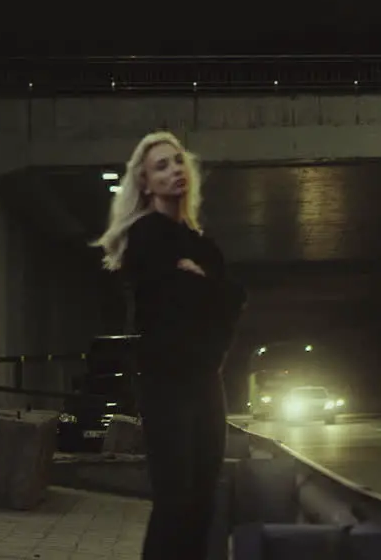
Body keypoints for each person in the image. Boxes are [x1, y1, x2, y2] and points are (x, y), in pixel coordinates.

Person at [92, 131, 246, 560]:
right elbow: (184, 304)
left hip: (205, 380)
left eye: (177, 161)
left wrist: (205, 287)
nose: (174, 170)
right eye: (161, 166)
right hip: (165, 381)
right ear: (145, 183)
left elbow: (233, 302)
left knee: (203, 499)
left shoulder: (202, 246)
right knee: (175, 501)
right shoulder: (146, 236)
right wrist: (207, 291)